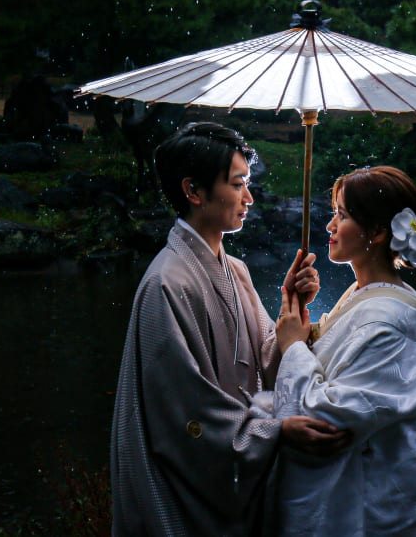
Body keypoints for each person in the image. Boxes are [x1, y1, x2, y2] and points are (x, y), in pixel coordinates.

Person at [110, 121, 350, 537]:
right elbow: (186, 416)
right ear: (193, 191)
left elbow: (263, 361)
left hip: (229, 485)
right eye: (238, 184)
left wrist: (292, 303)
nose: (249, 198)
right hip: (186, 492)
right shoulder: (167, 282)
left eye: (247, 183)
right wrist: (274, 432)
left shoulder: (234, 270)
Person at [270, 165, 416, 536]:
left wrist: (294, 346)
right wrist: (298, 312)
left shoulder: (383, 323)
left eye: (341, 215)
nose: (329, 226)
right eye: (334, 214)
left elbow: (321, 418)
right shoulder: (363, 296)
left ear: (376, 232)